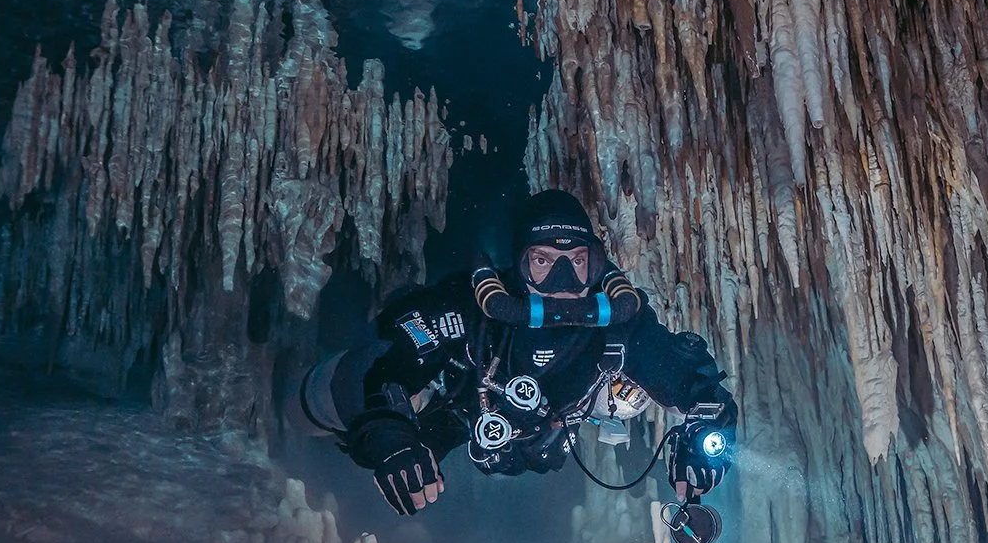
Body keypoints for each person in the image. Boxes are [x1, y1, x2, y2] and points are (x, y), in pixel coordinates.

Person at [311, 190, 738, 519]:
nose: (563, 278)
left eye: (576, 260)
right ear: (517, 266)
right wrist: (389, 434)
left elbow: (695, 383)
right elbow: (383, 363)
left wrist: (704, 439)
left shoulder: (618, 326)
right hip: (457, 407)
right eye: (542, 260)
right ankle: (296, 411)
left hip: (543, 431)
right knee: (339, 397)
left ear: (596, 265)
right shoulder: (470, 311)